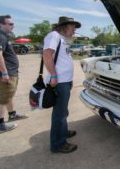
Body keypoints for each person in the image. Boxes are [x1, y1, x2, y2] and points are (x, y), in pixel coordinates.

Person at [43, 16, 81, 153]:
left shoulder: (62, 39)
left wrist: (69, 79)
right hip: (59, 82)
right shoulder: (53, 36)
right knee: (59, 113)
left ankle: (63, 132)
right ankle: (58, 144)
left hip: (65, 81)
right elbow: (47, 55)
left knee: (63, 111)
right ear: (64, 27)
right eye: (73, 27)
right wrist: (53, 75)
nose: (74, 30)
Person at [0, 15, 28, 134]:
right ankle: (0, 125)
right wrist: (4, 73)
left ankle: (12, 115)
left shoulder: (3, 36)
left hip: (11, 72)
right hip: (5, 73)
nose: (13, 26)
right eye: (10, 24)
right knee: (3, 99)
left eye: (12, 23)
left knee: (9, 95)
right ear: (1, 25)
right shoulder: (0, 36)